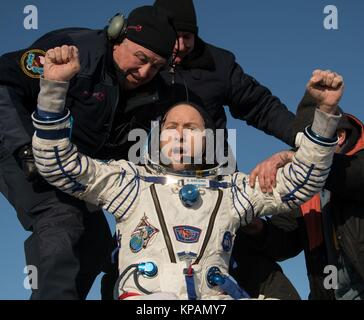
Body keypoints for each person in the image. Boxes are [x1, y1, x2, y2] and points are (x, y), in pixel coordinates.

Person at [31, 45, 342, 299]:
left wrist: (325, 115)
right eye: (172, 127)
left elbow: (302, 183)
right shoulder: (130, 184)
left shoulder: (229, 192)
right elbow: (58, 164)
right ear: (159, 136)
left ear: (207, 140)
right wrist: (54, 88)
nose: (179, 134)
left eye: (191, 128)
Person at [0, 5, 176, 299]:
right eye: (141, 58)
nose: (145, 72)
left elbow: (126, 151)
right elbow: (3, 85)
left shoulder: (152, 92)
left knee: (96, 246)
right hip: (17, 147)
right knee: (60, 220)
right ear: (117, 35)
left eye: (156, 66)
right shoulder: (71, 51)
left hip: (73, 167)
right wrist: (24, 147)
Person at [232, 98, 364, 300]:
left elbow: (354, 177)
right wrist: (255, 226)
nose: (304, 153)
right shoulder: (306, 191)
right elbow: (285, 240)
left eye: (311, 144)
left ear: (338, 136)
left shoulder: (358, 165)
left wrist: (296, 160)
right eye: (302, 145)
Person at [153, 0, 297, 148]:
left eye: (187, 37)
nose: (181, 46)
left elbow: (260, 106)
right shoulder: (139, 63)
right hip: (147, 164)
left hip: (212, 166)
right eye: (174, 36)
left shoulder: (219, 64)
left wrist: (302, 137)